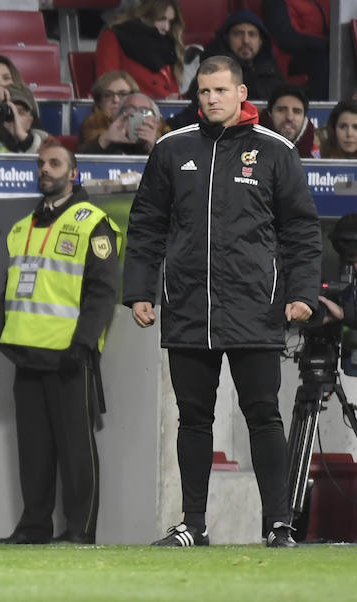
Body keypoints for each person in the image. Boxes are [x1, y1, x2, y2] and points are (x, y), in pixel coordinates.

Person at [123, 55, 321, 548]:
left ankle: (278, 525)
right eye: (203, 92)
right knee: (193, 420)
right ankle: (193, 524)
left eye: (219, 90)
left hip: (255, 306)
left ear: (241, 93)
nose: (210, 98)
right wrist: (139, 292)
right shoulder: (172, 150)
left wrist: (301, 292)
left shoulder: (275, 151)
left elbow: (300, 229)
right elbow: (146, 224)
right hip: (188, 306)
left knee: (263, 416)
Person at [0, 139, 122, 545]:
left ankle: (79, 531)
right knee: (34, 453)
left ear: (73, 174)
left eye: (55, 163)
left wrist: (85, 344)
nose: (45, 168)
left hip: (69, 357)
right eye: (41, 163)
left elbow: (102, 291)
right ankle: (34, 526)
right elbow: (12, 290)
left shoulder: (92, 222)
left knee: (77, 450)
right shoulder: (23, 227)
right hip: (26, 354)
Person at [169, 10, 286, 128]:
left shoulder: (272, 71)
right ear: (227, 38)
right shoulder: (211, 70)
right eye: (238, 34)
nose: (246, 41)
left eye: (252, 34)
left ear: (261, 41)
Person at [95, 0, 184, 99]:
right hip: (132, 109)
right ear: (146, 16)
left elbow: (172, 90)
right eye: (161, 19)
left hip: (166, 110)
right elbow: (107, 87)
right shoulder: (114, 37)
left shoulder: (168, 44)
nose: (166, 27)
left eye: (170, 22)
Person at [264, 0, 330, 100]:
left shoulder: (322, 3)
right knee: (323, 62)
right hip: (288, 58)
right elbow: (286, 39)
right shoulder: (276, 2)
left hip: (319, 51)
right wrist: (327, 45)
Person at [77, 92, 170, 155]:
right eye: (130, 110)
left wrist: (154, 148)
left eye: (145, 112)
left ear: (156, 121)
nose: (137, 115)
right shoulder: (108, 140)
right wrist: (105, 140)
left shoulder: (165, 143)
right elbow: (83, 165)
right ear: (119, 116)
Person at [78, 70, 139, 148]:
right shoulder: (90, 126)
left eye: (123, 94)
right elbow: (84, 157)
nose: (116, 100)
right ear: (99, 102)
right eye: (107, 95)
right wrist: (105, 139)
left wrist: (150, 144)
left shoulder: (148, 123)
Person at [258, 84, 319, 158]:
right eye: (281, 110)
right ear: (269, 114)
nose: (289, 117)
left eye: (297, 111)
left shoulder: (318, 153)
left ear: (304, 118)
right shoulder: (249, 147)